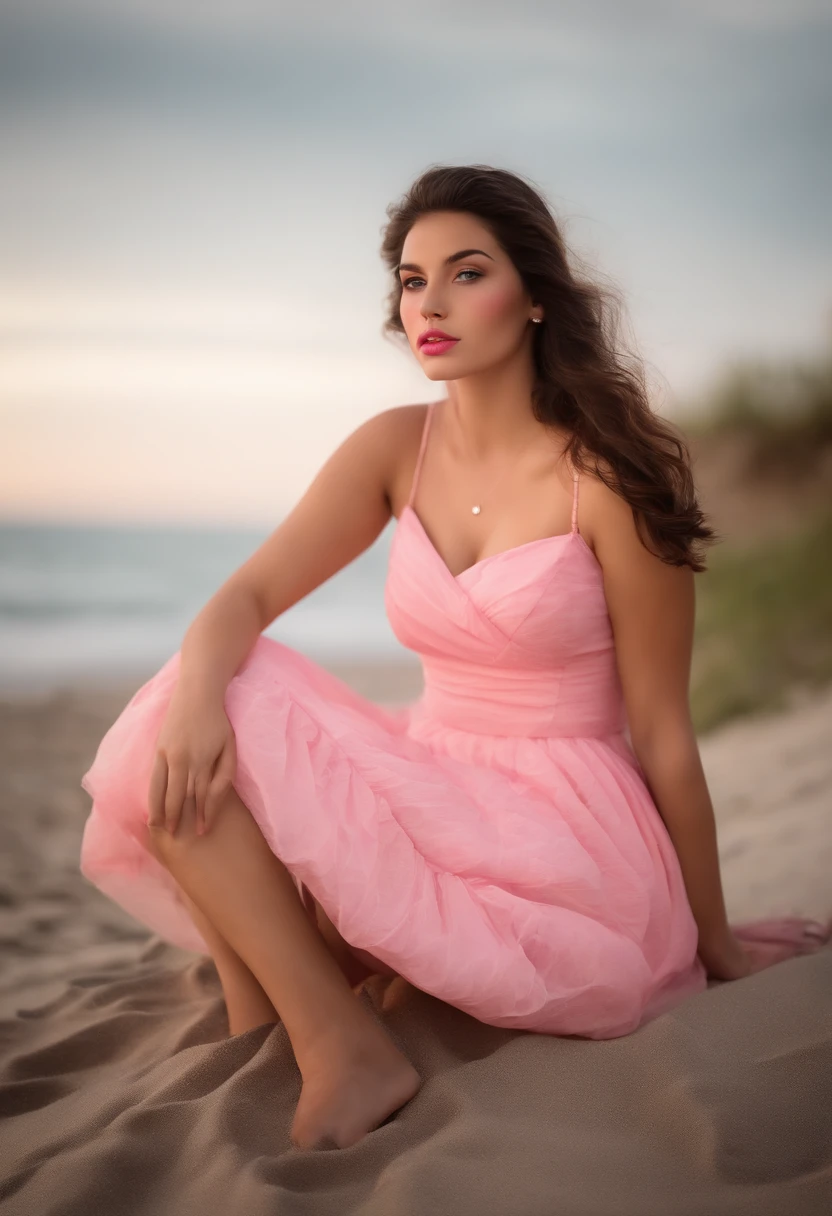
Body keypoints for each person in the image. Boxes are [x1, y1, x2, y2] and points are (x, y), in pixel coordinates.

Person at [78, 164, 830, 1152]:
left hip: (565, 835)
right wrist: (195, 703)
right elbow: (245, 598)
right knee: (184, 715)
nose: (427, 302)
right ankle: (280, 1012)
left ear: (534, 299)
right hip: (430, 778)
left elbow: (661, 732)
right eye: (410, 278)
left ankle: (332, 1035)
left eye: (464, 273)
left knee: (211, 723)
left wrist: (715, 940)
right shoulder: (397, 448)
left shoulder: (605, 478)